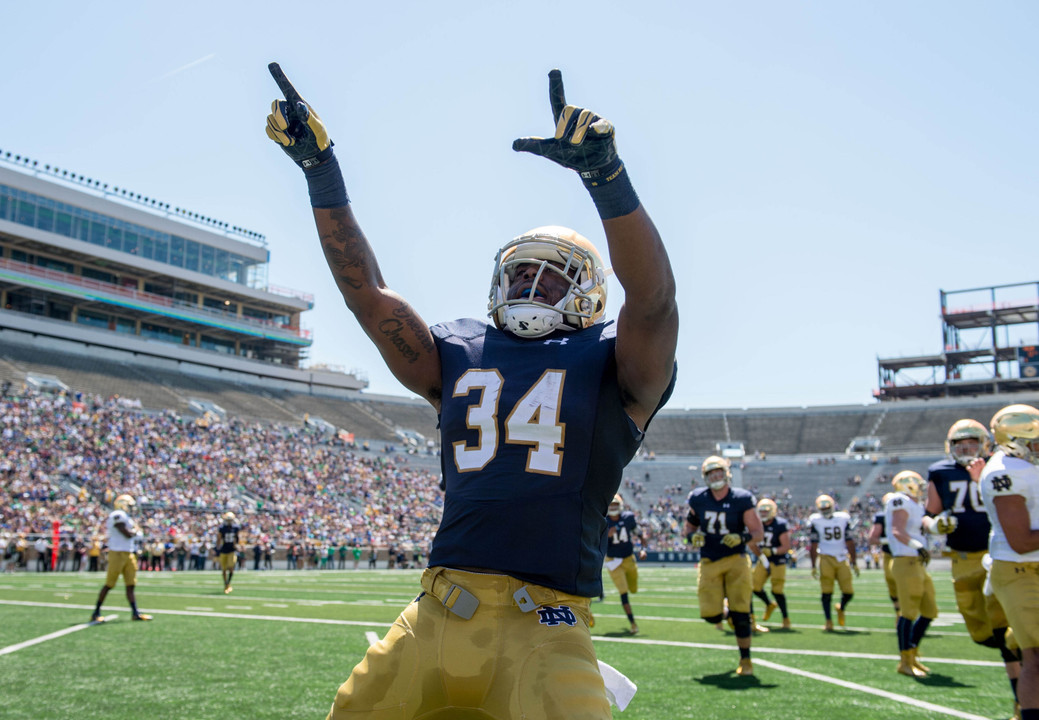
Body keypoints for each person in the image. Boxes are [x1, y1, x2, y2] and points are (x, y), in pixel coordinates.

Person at [266, 62, 677, 720]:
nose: (529, 286)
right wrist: (321, 171)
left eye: (550, 278)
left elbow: (654, 302)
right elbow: (365, 294)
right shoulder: (457, 351)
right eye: (520, 275)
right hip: (435, 616)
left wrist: (605, 177)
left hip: (545, 628)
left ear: (588, 295)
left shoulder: (613, 361)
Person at [927, 419, 1021, 709]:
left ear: (985, 443)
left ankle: (1022, 702)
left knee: (1008, 632)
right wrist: (935, 526)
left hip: (999, 555)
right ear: (950, 447)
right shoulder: (940, 471)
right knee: (982, 633)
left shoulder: (1000, 465)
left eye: (972, 443)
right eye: (960, 444)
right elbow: (928, 513)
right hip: (963, 560)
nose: (966, 448)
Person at [980, 404, 1039, 720]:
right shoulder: (1004, 472)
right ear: (1014, 440)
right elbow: (1022, 541)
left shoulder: (1024, 466)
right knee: (1036, 657)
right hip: (1019, 569)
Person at [684, 456, 764, 676]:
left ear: (726, 473)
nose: (715, 476)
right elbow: (687, 531)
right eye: (711, 474)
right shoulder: (698, 498)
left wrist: (742, 537)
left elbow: (758, 533)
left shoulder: (742, 498)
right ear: (705, 477)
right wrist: (692, 538)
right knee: (711, 615)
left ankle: (746, 660)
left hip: (736, 560)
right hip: (709, 560)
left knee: (742, 613)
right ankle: (727, 613)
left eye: (718, 472)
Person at [885, 471, 938, 677]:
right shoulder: (899, 500)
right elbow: (898, 530)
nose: (920, 487)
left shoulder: (915, 504)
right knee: (908, 613)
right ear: (907, 484)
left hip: (916, 562)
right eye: (917, 483)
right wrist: (917, 545)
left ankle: (913, 654)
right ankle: (904, 660)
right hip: (905, 560)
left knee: (929, 610)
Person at [90, 494, 152, 622]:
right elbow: (126, 533)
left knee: (131, 585)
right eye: (129, 505)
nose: (130, 508)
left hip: (128, 552)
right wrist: (136, 532)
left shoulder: (127, 517)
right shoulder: (117, 514)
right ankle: (96, 612)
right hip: (117, 552)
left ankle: (135, 612)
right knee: (109, 584)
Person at [808, 493, 858, 631]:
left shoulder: (843, 518)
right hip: (825, 558)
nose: (825, 510)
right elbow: (813, 544)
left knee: (849, 592)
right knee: (826, 592)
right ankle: (828, 620)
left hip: (842, 557)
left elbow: (849, 541)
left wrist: (854, 561)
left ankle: (841, 607)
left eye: (827, 507)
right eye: (822, 508)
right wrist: (813, 565)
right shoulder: (815, 520)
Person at [604, 493, 648, 635]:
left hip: (628, 558)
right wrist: (606, 536)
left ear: (620, 506)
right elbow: (596, 543)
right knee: (624, 592)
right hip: (613, 561)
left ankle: (632, 622)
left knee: (633, 588)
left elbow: (640, 534)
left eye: (615, 504)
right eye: (611, 505)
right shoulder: (603, 521)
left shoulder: (628, 518)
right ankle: (633, 623)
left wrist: (643, 549)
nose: (613, 507)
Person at [750, 497, 792, 630]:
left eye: (766, 511)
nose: (763, 513)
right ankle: (769, 604)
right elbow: (751, 543)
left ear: (772, 511)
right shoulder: (756, 524)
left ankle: (785, 618)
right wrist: (761, 556)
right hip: (763, 560)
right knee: (754, 586)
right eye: (761, 511)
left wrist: (773, 551)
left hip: (778, 561)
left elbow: (786, 546)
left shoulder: (780, 524)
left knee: (777, 591)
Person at [867, 493, 900, 616]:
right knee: (892, 583)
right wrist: (889, 539)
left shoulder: (907, 514)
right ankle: (899, 613)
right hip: (890, 554)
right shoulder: (882, 517)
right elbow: (872, 539)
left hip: (906, 554)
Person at [215, 512, 240, 594]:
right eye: (228, 520)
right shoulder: (222, 528)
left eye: (230, 520)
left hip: (232, 550)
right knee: (224, 570)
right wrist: (217, 549)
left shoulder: (236, 528)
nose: (229, 522)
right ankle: (226, 584)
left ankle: (228, 583)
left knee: (231, 568)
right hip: (224, 550)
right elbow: (219, 539)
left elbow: (237, 538)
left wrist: (236, 545)